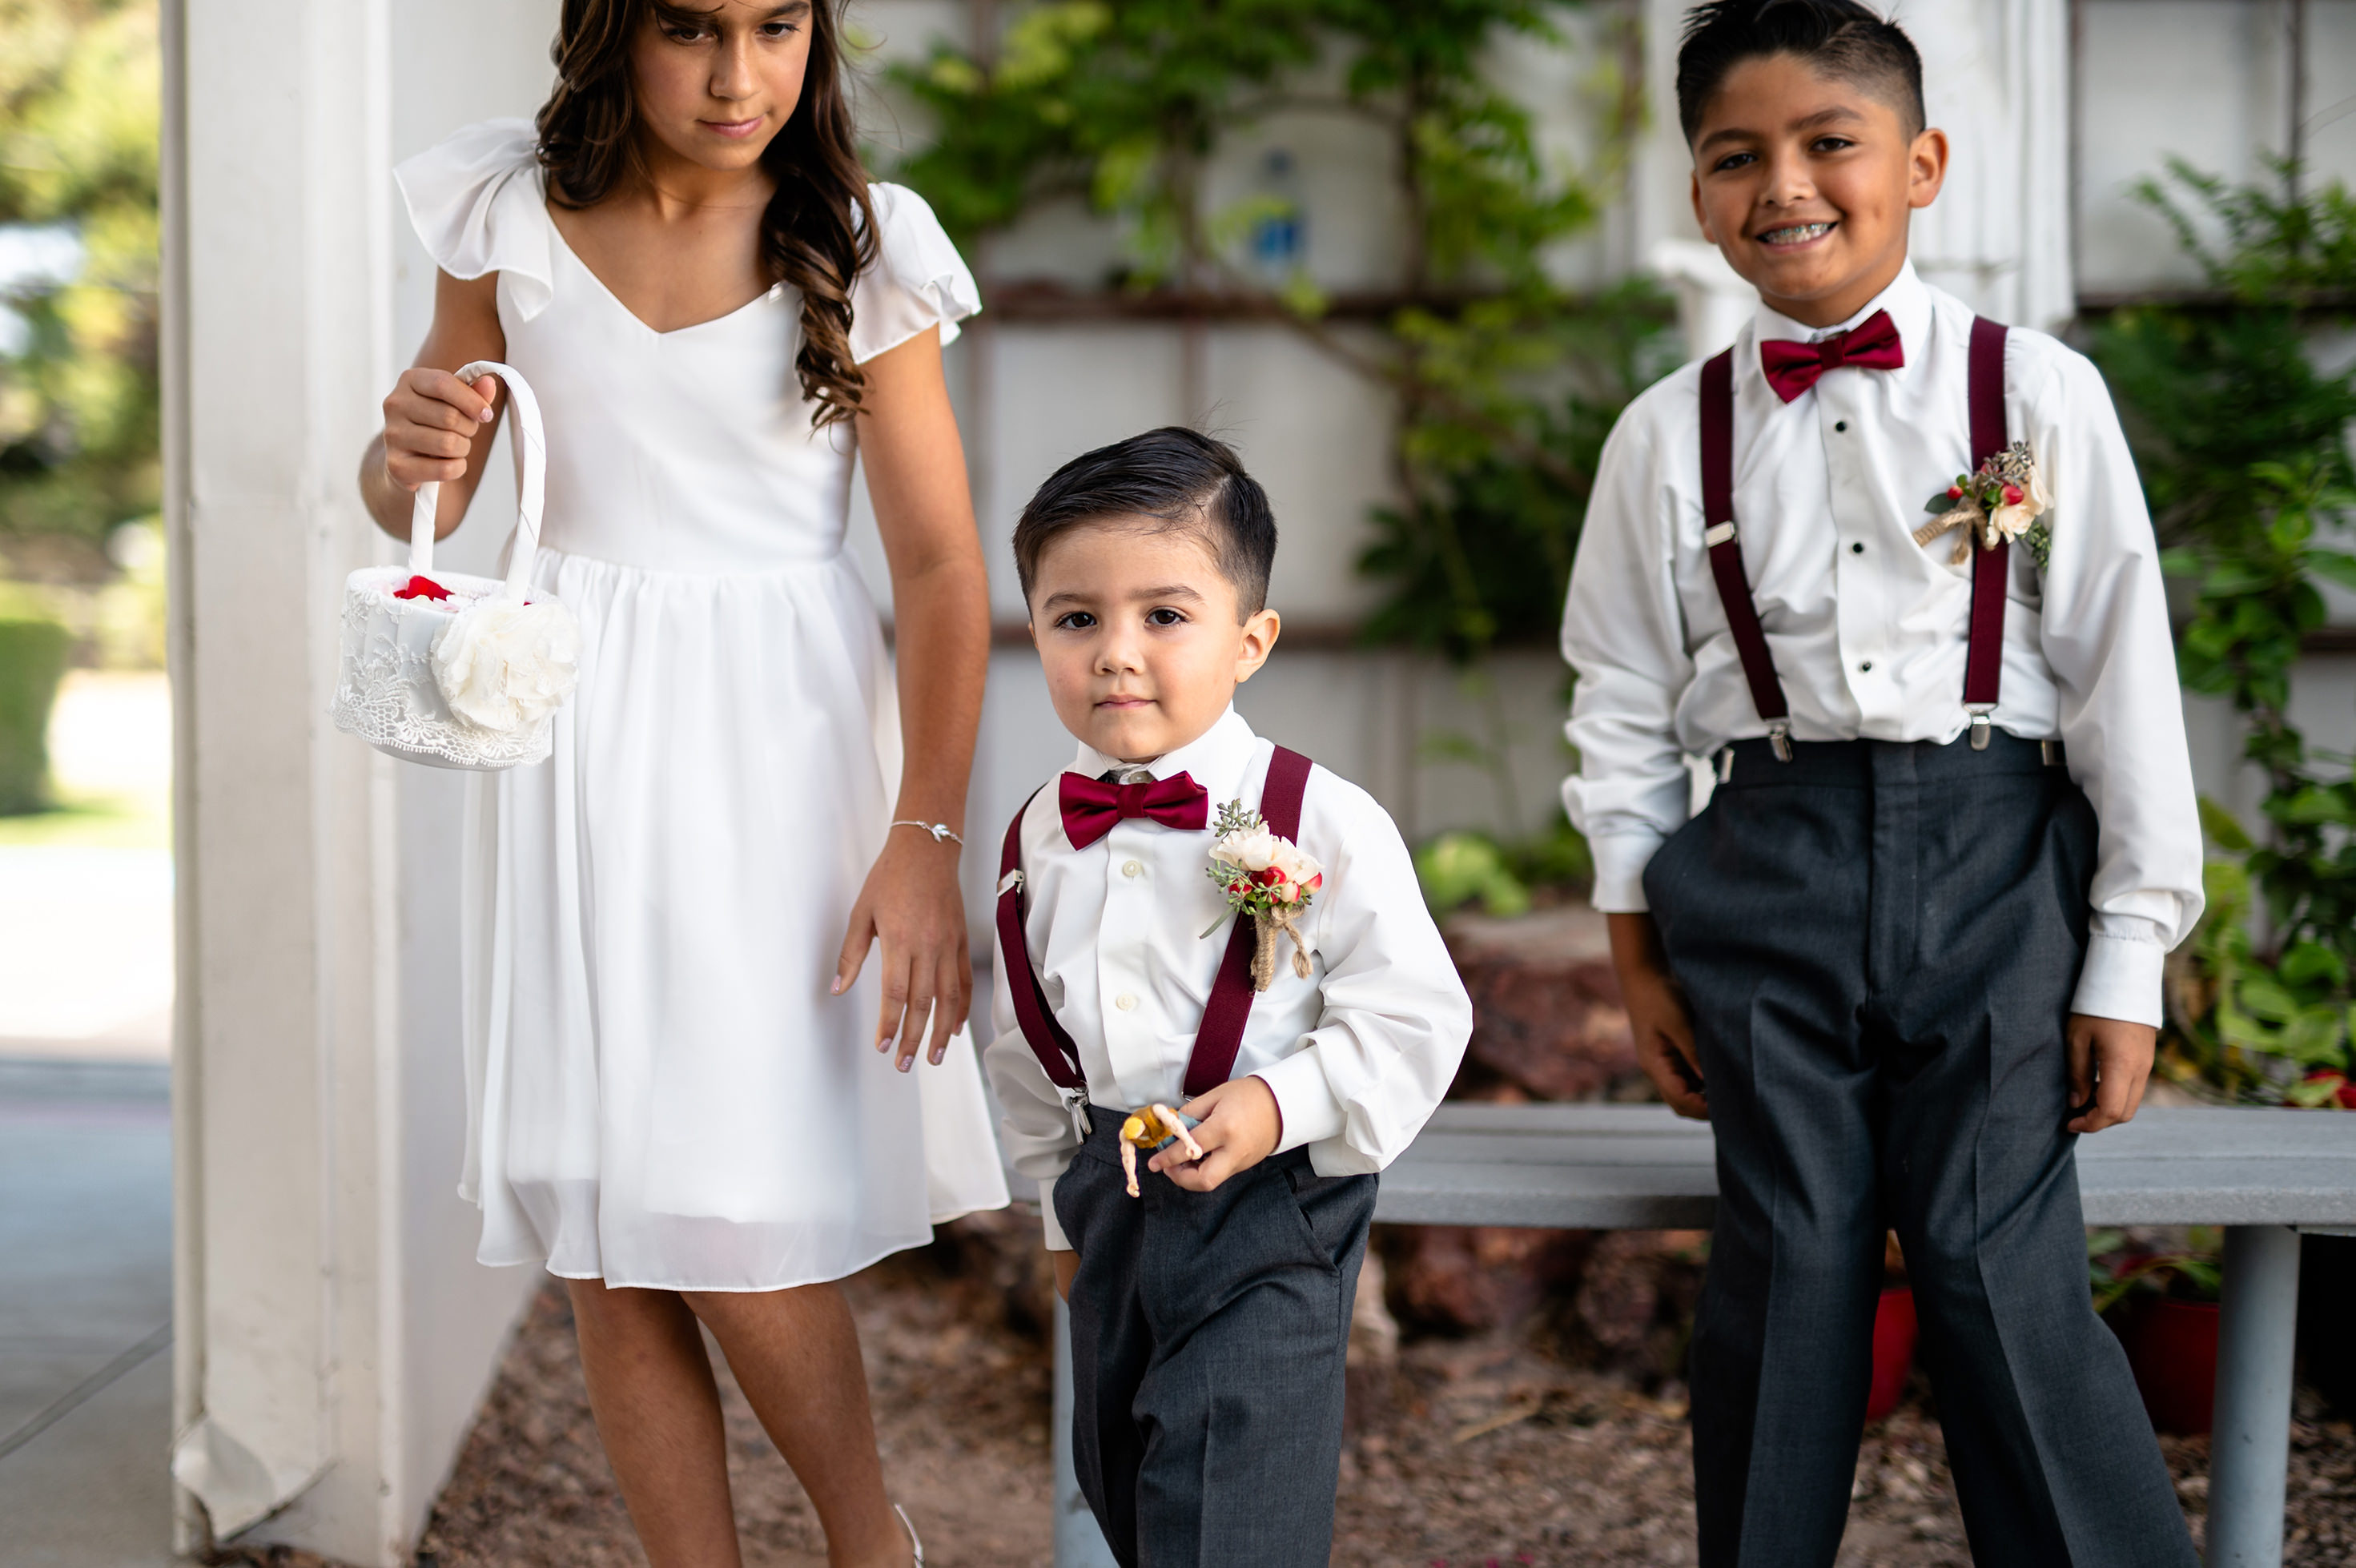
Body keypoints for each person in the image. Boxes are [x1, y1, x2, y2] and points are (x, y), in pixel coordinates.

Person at [359, 2, 1007, 1562]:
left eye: (776, 26)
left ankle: (871, 1543)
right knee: (603, 1218)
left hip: (773, 747)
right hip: (571, 728)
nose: (738, 76)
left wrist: (922, 836)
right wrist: (403, 447)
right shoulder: (502, 210)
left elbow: (936, 567)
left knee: (723, 1201)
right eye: (692, 29)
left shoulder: (860, 241)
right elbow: (417, 500)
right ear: (610, 31)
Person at [1559, 3, 2203, 1565]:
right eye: (1735, 155)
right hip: (1762, 868)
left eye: (1826, 142)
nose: (1783, 183)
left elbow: (2124, 677)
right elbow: (1624, 702)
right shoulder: (1663, 437)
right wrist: (1636, 946)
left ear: (1919, 165)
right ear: (1697, 191)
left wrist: (2129, 954)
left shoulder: (2033, 395)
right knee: (1786, 1272)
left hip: (1993, 864)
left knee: (1996, 1269)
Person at [984, 428, 1472, 1567]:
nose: (1115, 653)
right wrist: (1061, 1223)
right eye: (1074, 618)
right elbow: (1026, 1041)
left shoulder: (1321, 816)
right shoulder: (1038, 836)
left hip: (1269, 1211)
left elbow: (1414, 1013)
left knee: (1227, 1509)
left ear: (1249, 639)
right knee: (1125, 1489)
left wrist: (1277, 1101)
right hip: (1107, 1202)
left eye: (1162, 615)